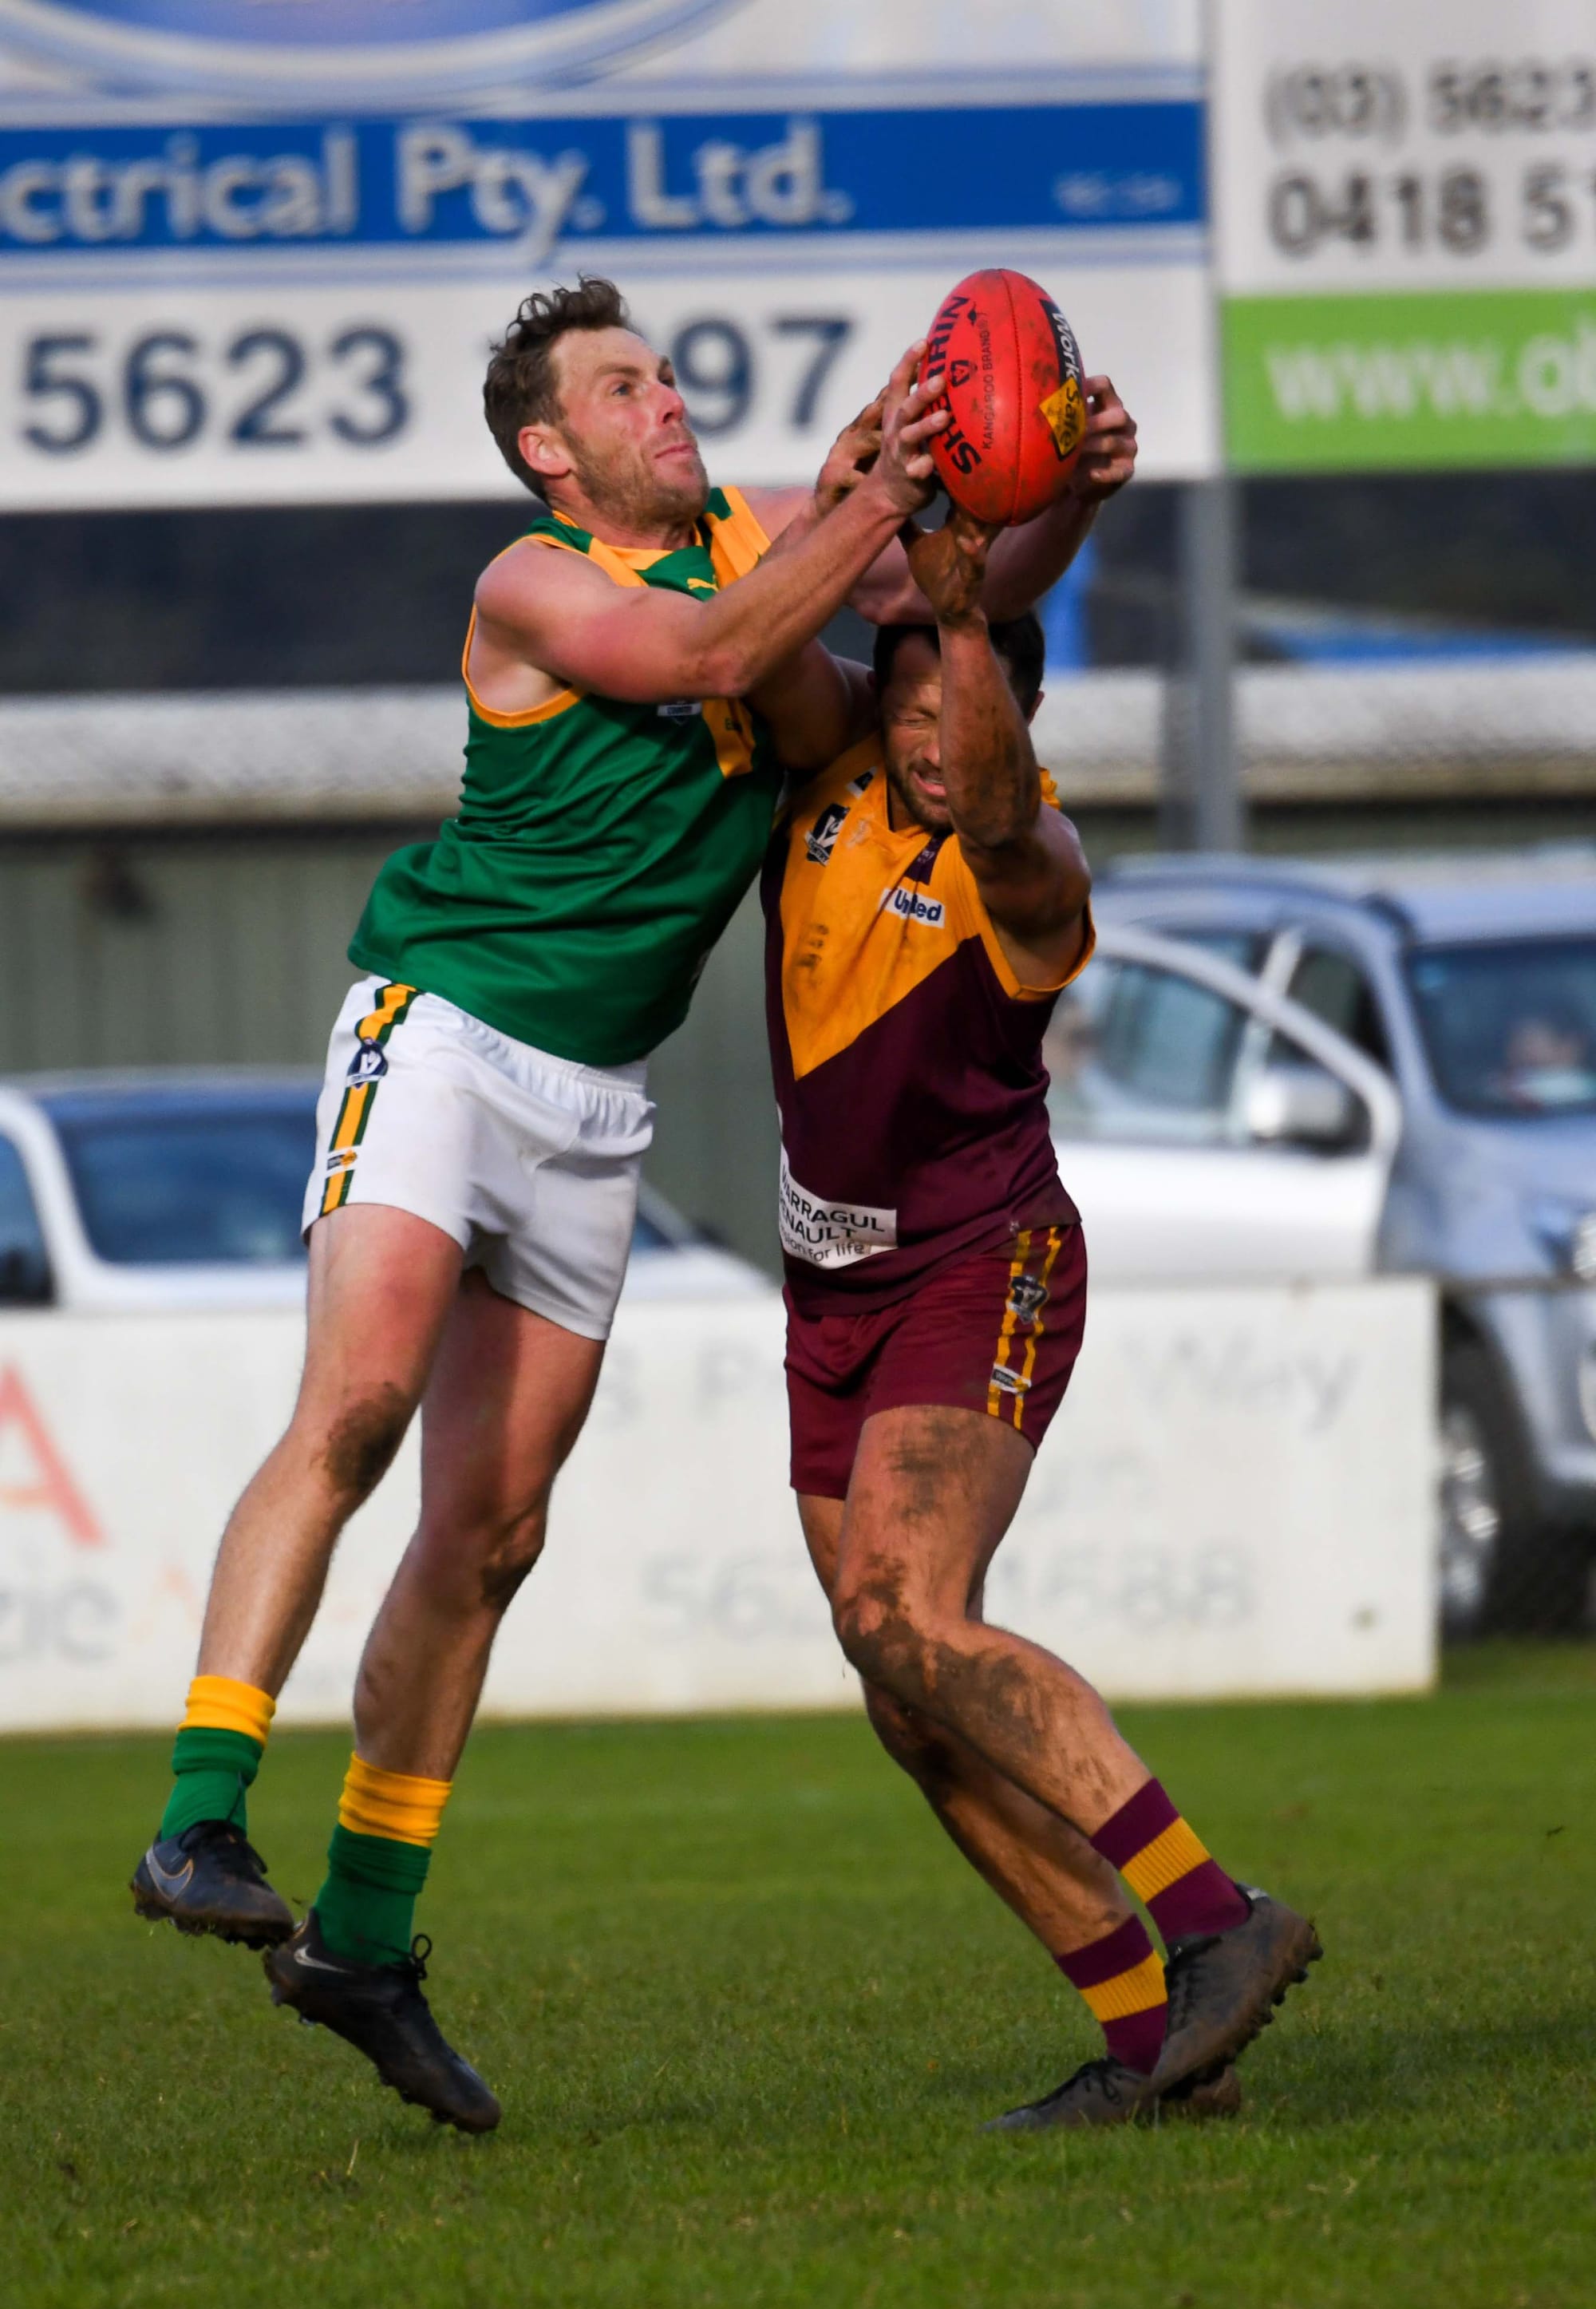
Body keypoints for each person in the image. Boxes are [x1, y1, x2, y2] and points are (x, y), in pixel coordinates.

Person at [128, 275, 1136, 2135]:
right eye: (619, 386)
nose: (663, 399)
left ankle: (363, 1941)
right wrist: (864, 488)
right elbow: (709, 656)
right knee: (359, 1401)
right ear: (548, 447)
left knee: (492, 1534)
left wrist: (1055, 494)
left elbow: (929, 629)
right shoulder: (535, 581)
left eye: (666, 373)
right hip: (445, 1032)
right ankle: (200, 1813)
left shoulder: (764, 565)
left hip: (593, 1112)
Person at [758, 505, 1321, 2127]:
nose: (941, 741)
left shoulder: (1031, 863)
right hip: (828, 1295)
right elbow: (761, 622)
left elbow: (1002, 813)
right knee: (906, 1700)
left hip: (980, 1264)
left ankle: (1217, 1916)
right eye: (916, 710)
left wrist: (962, 625)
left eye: (976, 708)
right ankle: (1158, 2057)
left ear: (1026, 710)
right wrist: (935, 503)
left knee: (900, 1610)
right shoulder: (826, 778)